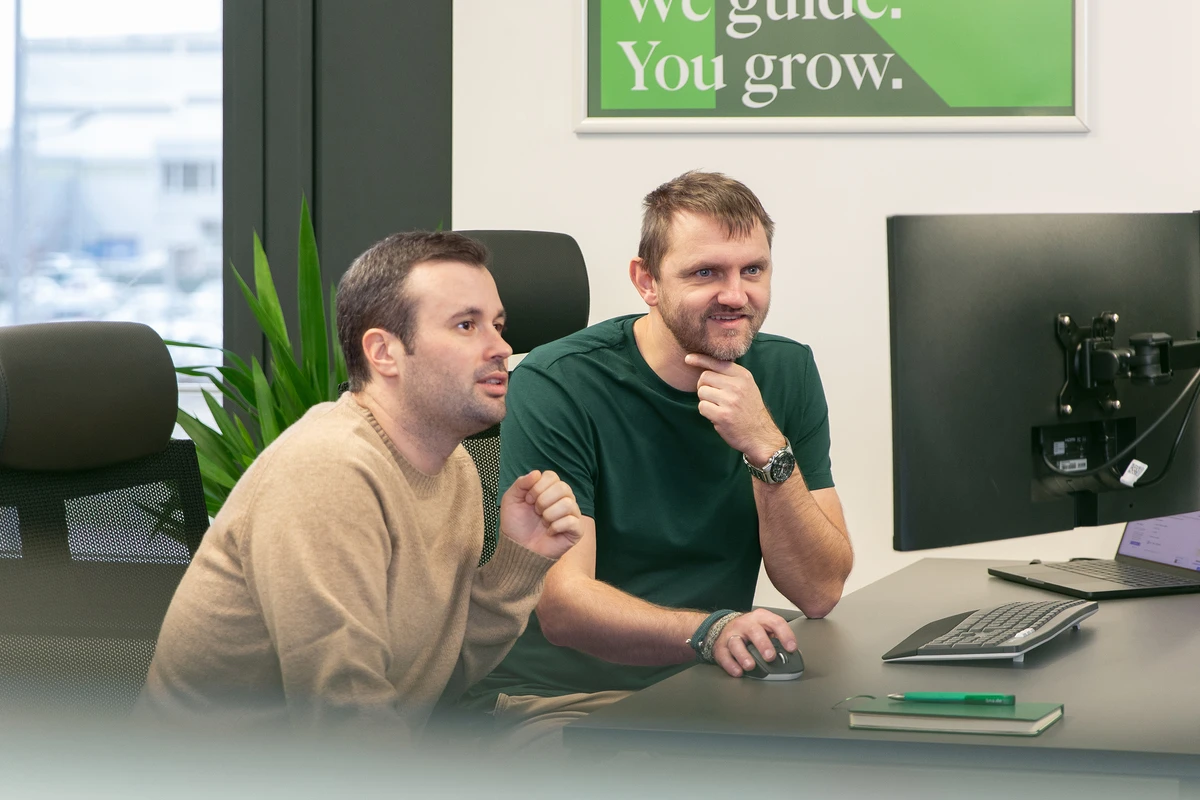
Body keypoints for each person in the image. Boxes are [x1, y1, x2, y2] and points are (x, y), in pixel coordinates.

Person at [136, 231, 583, 740]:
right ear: (384, 352)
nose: (501, 347)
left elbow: (434, 683)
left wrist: (517, 562)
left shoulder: (455, 468)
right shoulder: (327, 470)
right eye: (466, 325)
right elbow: (344, 720)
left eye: (498, 326)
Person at [463, 171, 853, 748]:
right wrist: (710, 630)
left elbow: (819, 591)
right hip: (558, 702)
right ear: (646, 281)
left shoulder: (786, 371)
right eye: (705, 273)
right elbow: (565, 606)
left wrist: (767, 447)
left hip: (708, 687)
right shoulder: (558, 382)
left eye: (753, 270)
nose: (735, 295)